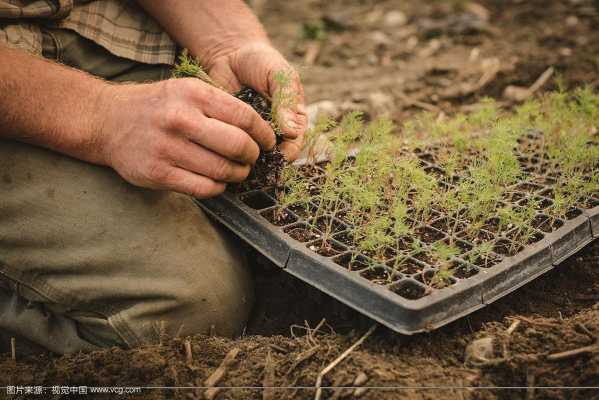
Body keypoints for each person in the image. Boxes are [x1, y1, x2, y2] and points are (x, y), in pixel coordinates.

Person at [0, 0, 307, 354]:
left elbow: (227, 44)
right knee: (185, 311)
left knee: (270, 181)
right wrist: (102, 116)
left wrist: (229, 43)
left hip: (95, 27)